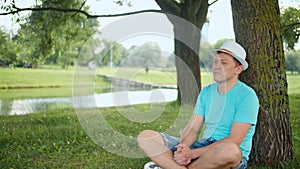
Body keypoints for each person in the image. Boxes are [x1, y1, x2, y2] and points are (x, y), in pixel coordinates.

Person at [137, 40, 259, 169]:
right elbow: (193, 128)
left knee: (230, 151)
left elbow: (234, 139)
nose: (217, 66)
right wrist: (183, 148)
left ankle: (168, 165)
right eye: (215, 62)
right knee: (146, 137)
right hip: (203, 146)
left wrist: (192, 153)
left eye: (223, 63)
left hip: (226, 153)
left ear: (238, 69)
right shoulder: (207, 92)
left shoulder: (247, 96)